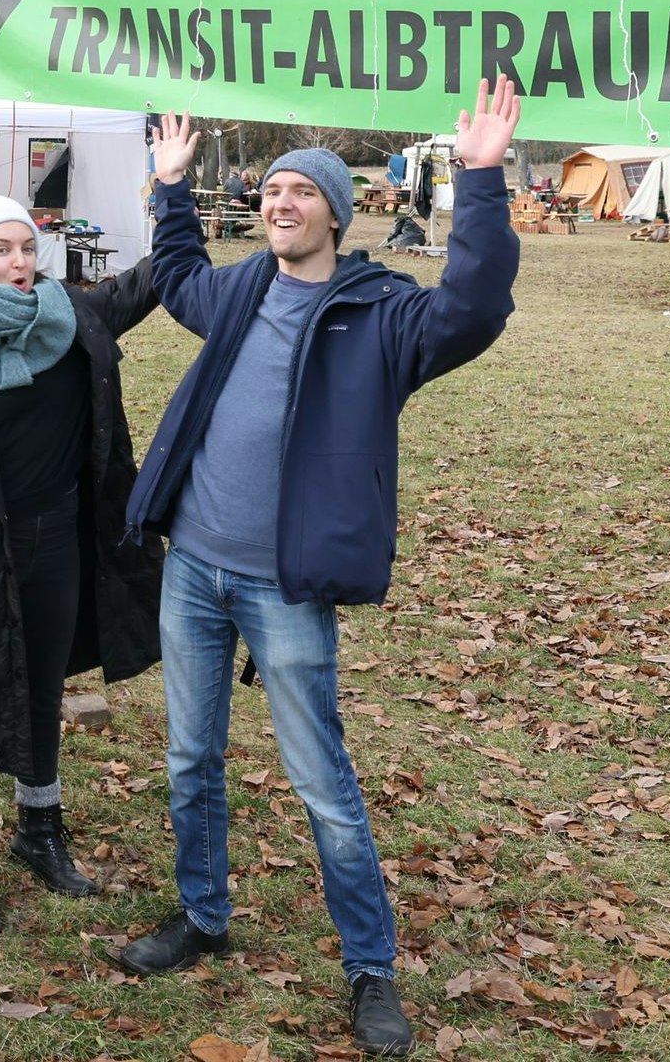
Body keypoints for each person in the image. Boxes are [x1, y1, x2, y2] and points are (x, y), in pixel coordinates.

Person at [113, 79, 527, 1059]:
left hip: (284, 586)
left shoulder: (381, 315)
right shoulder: (239, 288)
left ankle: (369, 967)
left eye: (300, 192)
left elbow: (472, 306)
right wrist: (170, 190)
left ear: (335, 214)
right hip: (194, 571)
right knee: (187, 759)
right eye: (268, 192)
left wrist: (478, 180)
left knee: (321, 783)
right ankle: (202, 918)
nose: (278, 203)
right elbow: (175, 275)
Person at [0, 119, 195, 934]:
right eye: (3, 251)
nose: (21, 264)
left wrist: (171, 186)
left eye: (28, 248)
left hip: (59, 540)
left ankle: (40, 830)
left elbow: (158, 276)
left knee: (44, 684)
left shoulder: (74, 322)